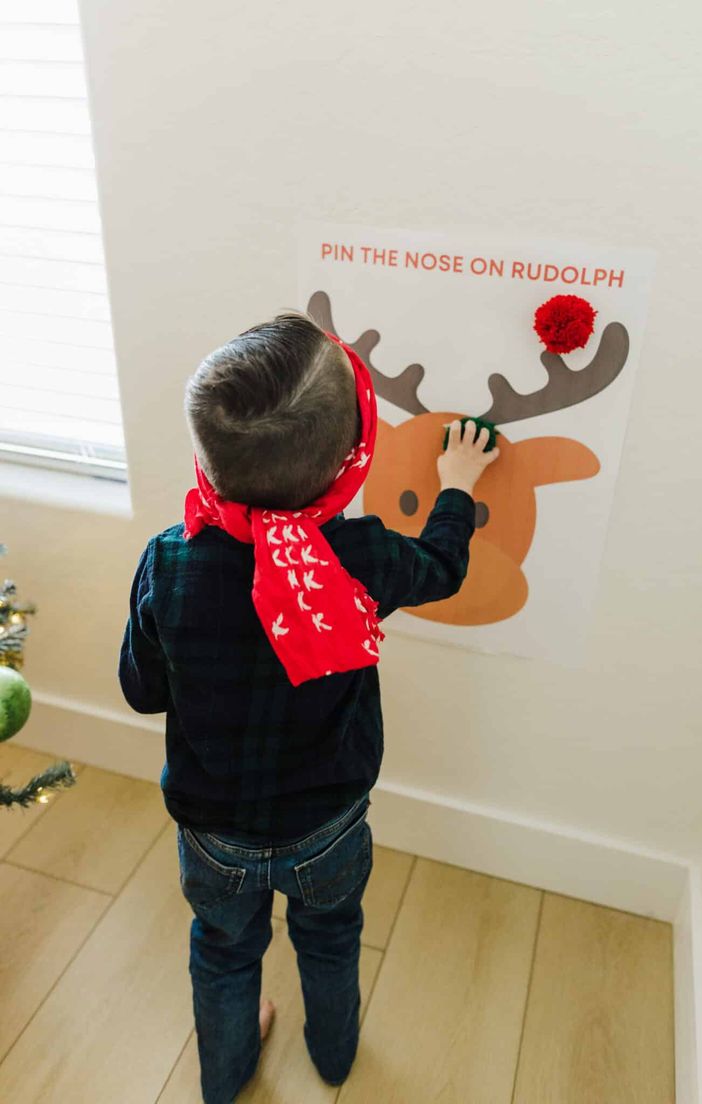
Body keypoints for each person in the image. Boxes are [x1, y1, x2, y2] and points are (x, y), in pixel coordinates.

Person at [118, 311, 499, 1104]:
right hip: (326, 825)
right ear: (350, 463)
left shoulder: (171, 559)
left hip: (214, 833)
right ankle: (333, 1057)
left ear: (205, 457)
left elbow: (141, 689)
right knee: (331, 939)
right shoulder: (360, 556)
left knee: (222, 952)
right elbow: (441, 567)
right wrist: (457, 486)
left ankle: (223, 1079)